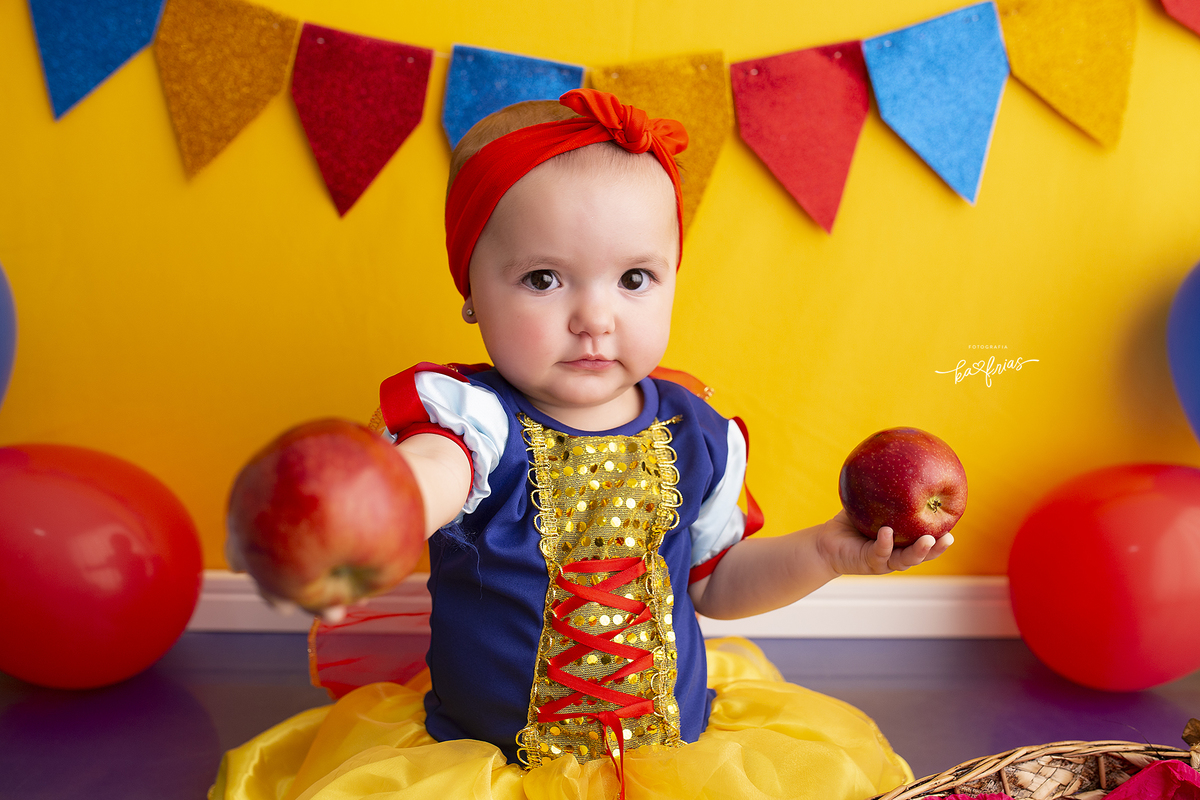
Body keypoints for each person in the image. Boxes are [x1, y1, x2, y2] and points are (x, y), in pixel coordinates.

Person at [212, 88, 950, 800]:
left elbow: (714, 586)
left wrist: (829, 551)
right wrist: (364, 507)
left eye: (634, 278)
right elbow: (426, 479)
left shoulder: (697, 435)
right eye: (543, 279)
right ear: (470, 288)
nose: (594, 316)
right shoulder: (475, 425)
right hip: (493, 763)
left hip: (673, 758)